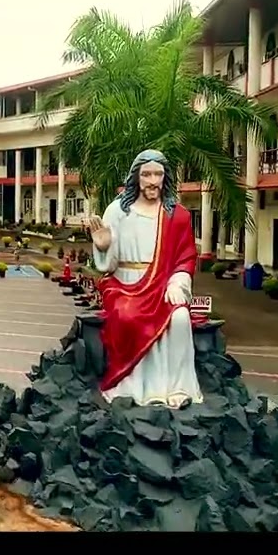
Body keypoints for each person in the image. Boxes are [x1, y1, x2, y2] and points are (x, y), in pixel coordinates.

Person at [88, 149, 203, 409]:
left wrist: (178, 283)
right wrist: (105, 247)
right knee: (128, 316)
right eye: (146, 174)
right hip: (124, 284)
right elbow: (108, 266)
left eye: (158, 174)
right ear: (136, 178)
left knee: (181, 317)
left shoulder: (177, 215)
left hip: (163, 284)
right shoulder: (118, 211)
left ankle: (178, 388)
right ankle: (133, 387)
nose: (152, 180)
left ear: (166, 178)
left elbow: (186, 258)